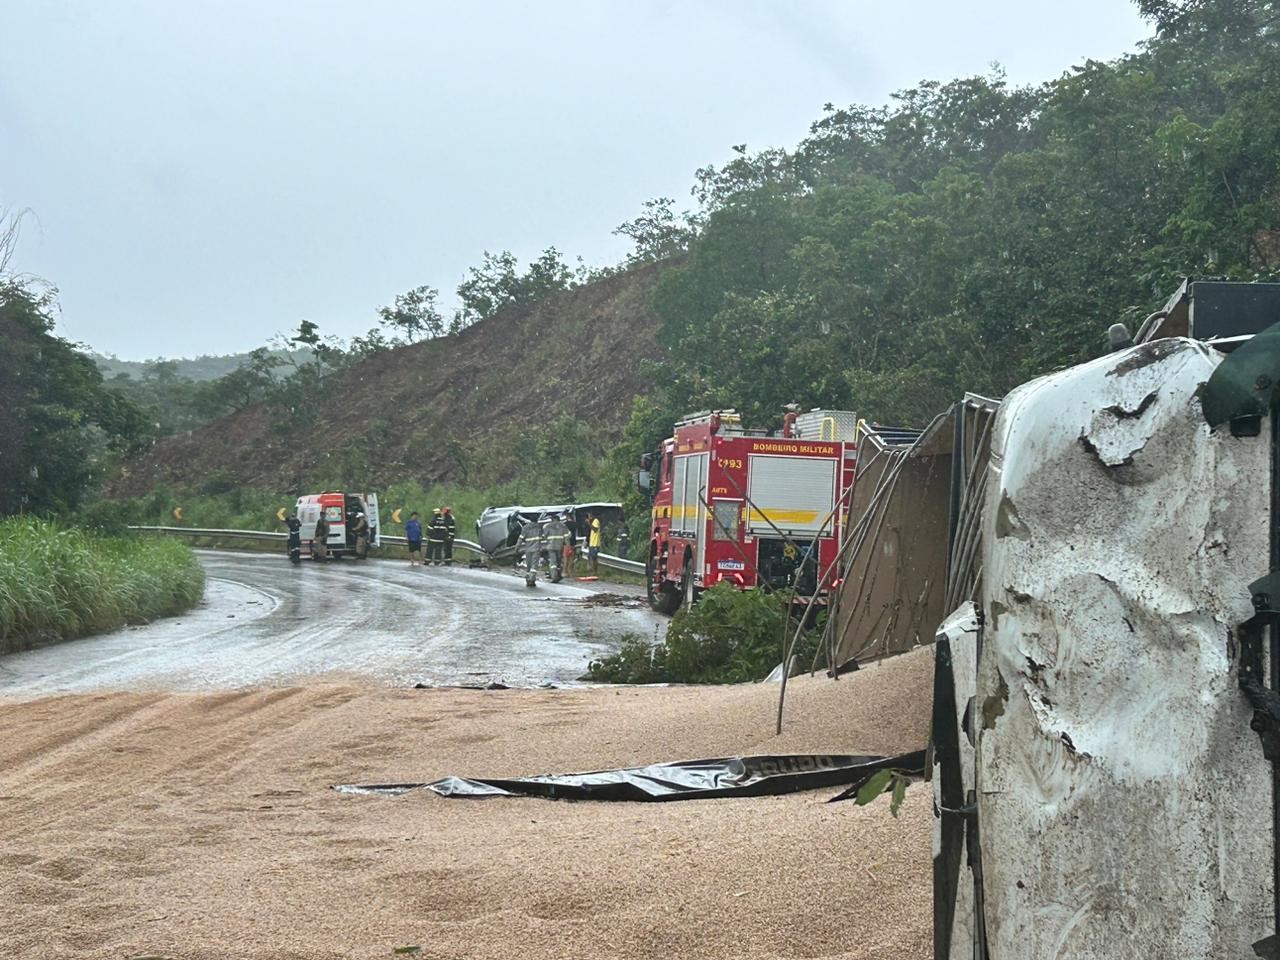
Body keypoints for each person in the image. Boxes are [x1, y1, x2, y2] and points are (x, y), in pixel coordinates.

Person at [516, 516, 543, 587]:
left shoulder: (525, 527)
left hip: (528, 549)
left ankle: (528, 578)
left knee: (529, 564)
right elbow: (543, 537)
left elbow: (520, 538)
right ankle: (532, 578)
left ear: (530, 520)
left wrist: (517, 547)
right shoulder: (539, 527)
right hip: (537, 548)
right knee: (534, 564)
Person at [544, 512, 569, 583]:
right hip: (559, 546)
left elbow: (544, 536)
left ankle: (554, 576)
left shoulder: (548, 526)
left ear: (553, 519)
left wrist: (548, 541)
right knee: (558, 562)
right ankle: (558, 575)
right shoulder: (563, 526)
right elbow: (567, 537)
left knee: (553, 562)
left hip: (550, 546)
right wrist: (568, 546)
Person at [560, 512, 576, 578]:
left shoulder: (564, 525)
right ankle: (570, 572)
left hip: (566, 544)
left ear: (567, 516)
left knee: (565, 558)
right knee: (571, 558)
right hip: (573, 543)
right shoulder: (575, 524)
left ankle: (564, 572)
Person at [587, 510, 602, 575]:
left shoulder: (596, 521)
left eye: (589, 515)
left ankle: (594, 572)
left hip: (595, 543)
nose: (589, 517)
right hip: (592, 543)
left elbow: (595, 529)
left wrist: (589, 523)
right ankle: (592, 571)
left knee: (593, 558)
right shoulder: (593, 521)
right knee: (591, 557)